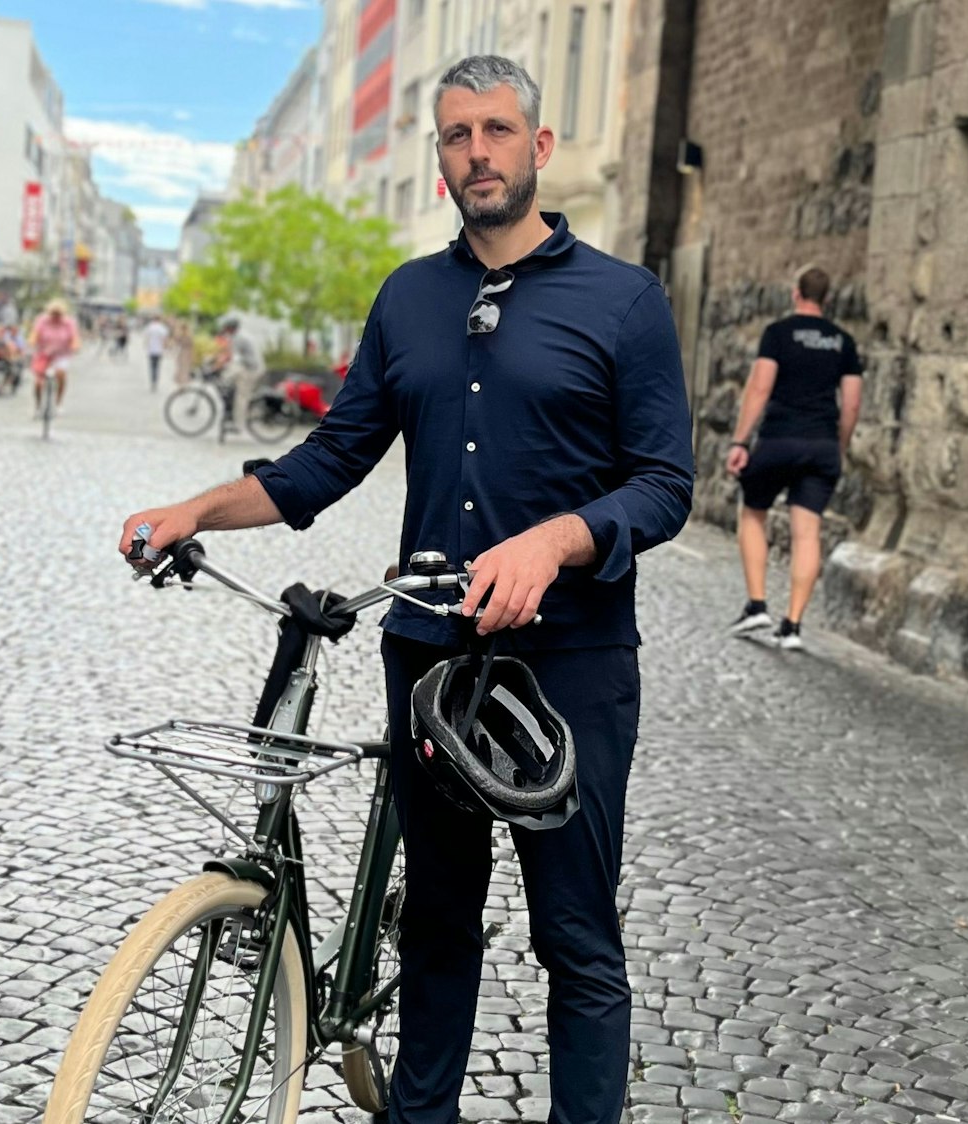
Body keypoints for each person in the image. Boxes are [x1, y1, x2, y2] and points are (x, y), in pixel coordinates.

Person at [118, 55, 692, 1124]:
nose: (476, 151)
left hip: (569, 663)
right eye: (456, 135)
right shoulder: (409, 298)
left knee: (574, 935)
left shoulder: (625, 302)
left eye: (496, 130)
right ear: (439, 157)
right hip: (429, 653)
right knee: (434, 918)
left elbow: (665, 486)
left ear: (538, 147)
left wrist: (558, 539)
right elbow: (325, 462)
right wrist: (196, 507)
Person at [723, 265, 865, 651]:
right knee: (808, 532)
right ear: (828, 299)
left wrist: (740, 440)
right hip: (821, 445)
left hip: (779, 440)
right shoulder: (844, 342)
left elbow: (759, 388)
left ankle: (757, 605)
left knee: (753, 512)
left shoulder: (779, 333)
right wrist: (840, 446)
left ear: (795, 293)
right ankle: (793, 626)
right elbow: (851, 403)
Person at [27, 299, 80, 415]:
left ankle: (58, 402)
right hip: (44, 353)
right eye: (53, 314)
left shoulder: (68, 322)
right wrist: (32, 342)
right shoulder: (42, 320)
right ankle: (38, 405)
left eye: (58, 314)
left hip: (62, 354)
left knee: (61, 374)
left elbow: (74, 337)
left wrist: (75, 346)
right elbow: (34, 334)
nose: (55, 317)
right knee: (38, 382)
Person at [143, 316, 171, 392]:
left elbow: (146, 338)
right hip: (159, 350)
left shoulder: (150, 327)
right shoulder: (162, 328)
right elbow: (165, 340)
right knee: (157, 366)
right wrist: (166, 348)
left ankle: (153, 381)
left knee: (152, 366)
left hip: (151, 350)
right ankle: (155, 381)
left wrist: (146, 346)